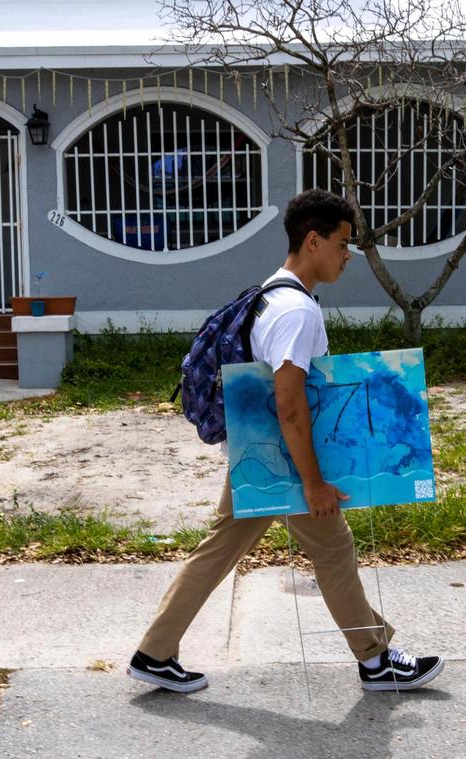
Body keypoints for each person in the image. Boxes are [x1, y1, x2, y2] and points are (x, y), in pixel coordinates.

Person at [128, 189, 444, 693]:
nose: (348, 256)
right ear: (313, 241)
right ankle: (376, 661)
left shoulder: (270, 294)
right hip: (282, 461)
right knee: (333, 549)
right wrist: (314, 483)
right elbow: (290, 404)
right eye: (343, 244)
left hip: (257, 457)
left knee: (220, 550)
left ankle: (154, 652)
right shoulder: (297, 312)